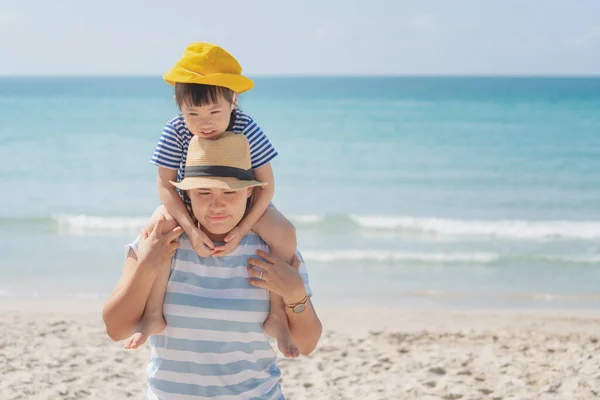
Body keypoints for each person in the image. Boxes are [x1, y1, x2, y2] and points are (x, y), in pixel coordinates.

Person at [102, 132, 322, 399]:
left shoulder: (271, 244)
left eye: (229, 192)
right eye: (203, 192)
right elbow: (115, 329)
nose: (217, 204)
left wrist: (295, 294)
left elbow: (307, 343)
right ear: (187, 194)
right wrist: (147, 265)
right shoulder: (160, 239)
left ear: (249, 191)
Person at [128, 42, 299, 357]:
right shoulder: (175, 130)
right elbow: (166, 187)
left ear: (233, 100)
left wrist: (241, 229)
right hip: (190, 201)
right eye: (193, 113)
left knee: (285, 233)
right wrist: (190, 230)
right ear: (179, 106)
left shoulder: (246, 127)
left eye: (214, 112)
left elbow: (267, 186)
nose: (204, 122)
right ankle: (153, 313)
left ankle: (277, 316)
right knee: (158, 227)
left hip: (242, 201)